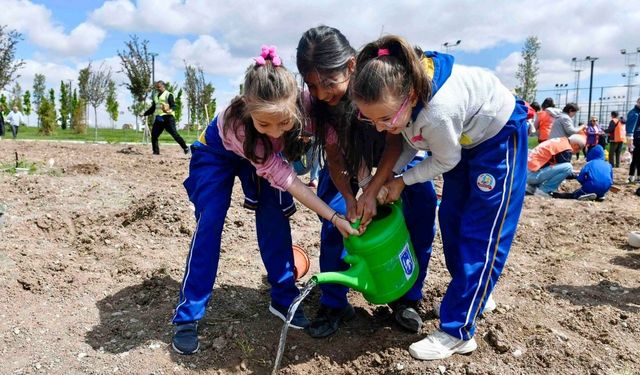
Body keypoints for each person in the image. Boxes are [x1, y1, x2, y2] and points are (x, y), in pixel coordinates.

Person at [171, 45, 359, 355]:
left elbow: (330, 152)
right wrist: (334, 218)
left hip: (264, 156)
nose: (275, 130)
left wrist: (350, 199)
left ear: (296, 104)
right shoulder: (242, 126)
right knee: (212, 220)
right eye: (265, 124)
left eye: (283, 123)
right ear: (247, 108)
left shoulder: (309, 104)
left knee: (275, 213)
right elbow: (288, 180)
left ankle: (283, 299)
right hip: (218, 153)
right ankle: (187, 315)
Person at [350, 35, 528, 360]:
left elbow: (446, 159)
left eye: (385, 119)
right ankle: (475, 294)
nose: (378, 128)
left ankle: (457, 331)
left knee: (481, 234)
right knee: (451, 220)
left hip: (497, 138)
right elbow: (408, 141)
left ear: (412, 95)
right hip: (464, 140)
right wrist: (380, 184)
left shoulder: (436, 112)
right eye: (370, 119)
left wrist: (401, 181)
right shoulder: (402, 94)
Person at [296, 26, 437, 338]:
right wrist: (349, 196)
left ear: (350, 66)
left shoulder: (377, 81)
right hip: (347, 166)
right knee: (337, 224)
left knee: (421, 212)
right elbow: (333, 156)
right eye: (312, 85)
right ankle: (334, 303)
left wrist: (373, 190)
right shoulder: (318, 104)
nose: (321, 94)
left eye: (328, 83)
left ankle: (407, 297)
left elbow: (395, 145)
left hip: (395, 159)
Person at [142, 80, 190, 155]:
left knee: (174, 134)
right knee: (154, 135)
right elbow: (154, 107)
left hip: (168, 118)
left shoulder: (168, 95)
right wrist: (145, 113)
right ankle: (156, 152)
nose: (157, 89)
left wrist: (169, 110)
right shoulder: (156, 96)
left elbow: (174, 106)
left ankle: (186, 148)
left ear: (163, 86)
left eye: (159, 87)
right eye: (156, 87)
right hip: (159, 118)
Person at [627, 98, 640, 182]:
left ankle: (636, 177)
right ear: (638, 102)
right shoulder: (634, 113)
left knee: (637, 157)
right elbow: (630, 129)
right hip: (637, 138)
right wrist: (630, 141)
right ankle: (632, 176)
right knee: (636, 157)